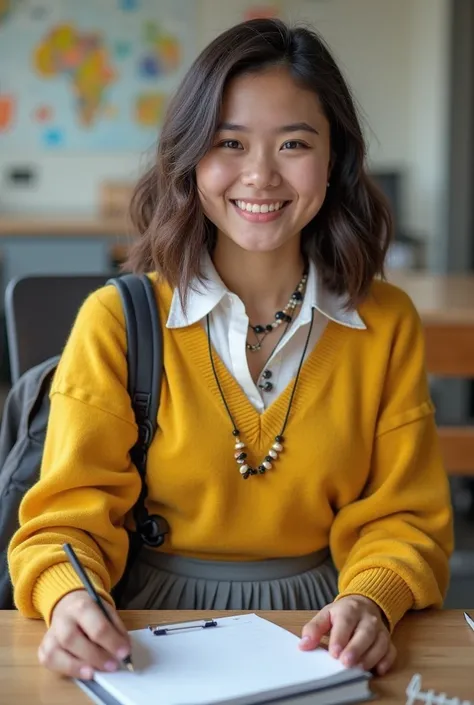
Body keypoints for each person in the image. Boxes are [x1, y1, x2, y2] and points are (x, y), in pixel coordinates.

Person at [8, 18, 453, 683]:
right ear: (191, 157)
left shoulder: (385, 323)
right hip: (143, 628)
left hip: (327, 631)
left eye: (294, 143)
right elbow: (63, 523)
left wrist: (371, 597)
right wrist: (73, 598)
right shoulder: (118, 321)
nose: (261, 175)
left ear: (335, 160)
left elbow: (403, 517)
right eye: (230, 142)